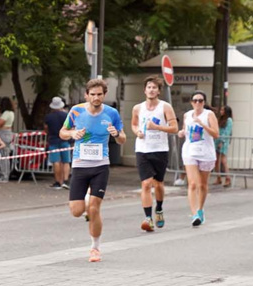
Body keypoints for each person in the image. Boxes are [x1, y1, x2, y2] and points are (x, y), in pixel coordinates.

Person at [60, 79, 126, 262]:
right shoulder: (76, 111)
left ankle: (95, 248)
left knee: (95, 209)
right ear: (86, 95)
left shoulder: (111, 113)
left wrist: (116, 135)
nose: (96, 98)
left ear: (104, 95)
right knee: (76, 211)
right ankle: (86, 200)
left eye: (99, 94)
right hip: (80, 165)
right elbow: (62, 132)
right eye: (93, 94)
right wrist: (72, 134)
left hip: (100, 166)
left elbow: (123, 139)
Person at [130, 76, 178, 231]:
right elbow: (134, 123)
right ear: (144, 90)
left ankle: (159, 208)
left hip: (160, 149)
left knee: (158, 184)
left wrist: (157, 127)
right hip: (142, 149)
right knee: (145, 184)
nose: (151, 90)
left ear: (159, 91)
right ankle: (148, 218)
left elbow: (174, 128)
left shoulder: (165, 107)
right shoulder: (138, 108)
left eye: (154, 87)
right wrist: (137, 131)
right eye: (149, 87)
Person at [178, 91, 219, 226]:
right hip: (190, 151)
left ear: (204, 102)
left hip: (206, 152)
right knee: (193, 184)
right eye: (195, 100)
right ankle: (194, 213)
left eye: (200, 100)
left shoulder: (209, 114)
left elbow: (215, 134)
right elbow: (185, 130)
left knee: (202, 184)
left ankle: (200, 209)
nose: (197, 103)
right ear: (191, 102)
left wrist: (203, 124)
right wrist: (181, 132)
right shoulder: (187, 115)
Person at [43, 96, 71, 189]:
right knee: (66, 161)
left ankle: (58, 181)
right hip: (65, 140)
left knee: (56, 162)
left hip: (53, 140)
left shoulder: (48, 117)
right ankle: (66, 181)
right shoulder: (66, 115)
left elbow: (46, 128)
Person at [0, 97, 15, 182]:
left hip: (4, 133)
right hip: (8, 132)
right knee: (5, 155)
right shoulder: (11, 113)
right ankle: (5, 174)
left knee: (3, 155)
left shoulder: (6, 113)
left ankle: (4, 175)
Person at [213, 105, 233, 187]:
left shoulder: (229, 120)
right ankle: (218, 177)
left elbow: (227, 131)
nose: (221, 111)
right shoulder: (220, 119)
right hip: (217, 139)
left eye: (222, 110)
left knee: (223, 160)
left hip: (223, 141)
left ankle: (228, 178)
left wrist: (222, 141)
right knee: (216, 160)